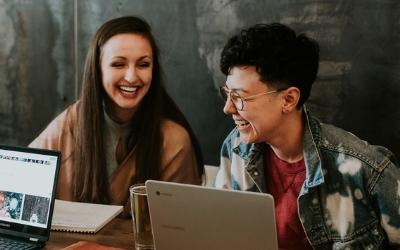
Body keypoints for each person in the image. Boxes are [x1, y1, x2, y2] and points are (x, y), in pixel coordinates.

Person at [215, 23, 400, 249]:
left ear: (288, 99)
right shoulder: (235, 148)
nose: (228, 108)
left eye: (239, 97)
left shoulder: (367, 170)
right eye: (227, 93)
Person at [30, 16, 204, 217]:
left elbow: (181, 226)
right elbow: (20, 179)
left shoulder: (174, 140)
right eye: (118, 64)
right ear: (97, 69)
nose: (131, 77)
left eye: (143, 64)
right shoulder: (70, 122)